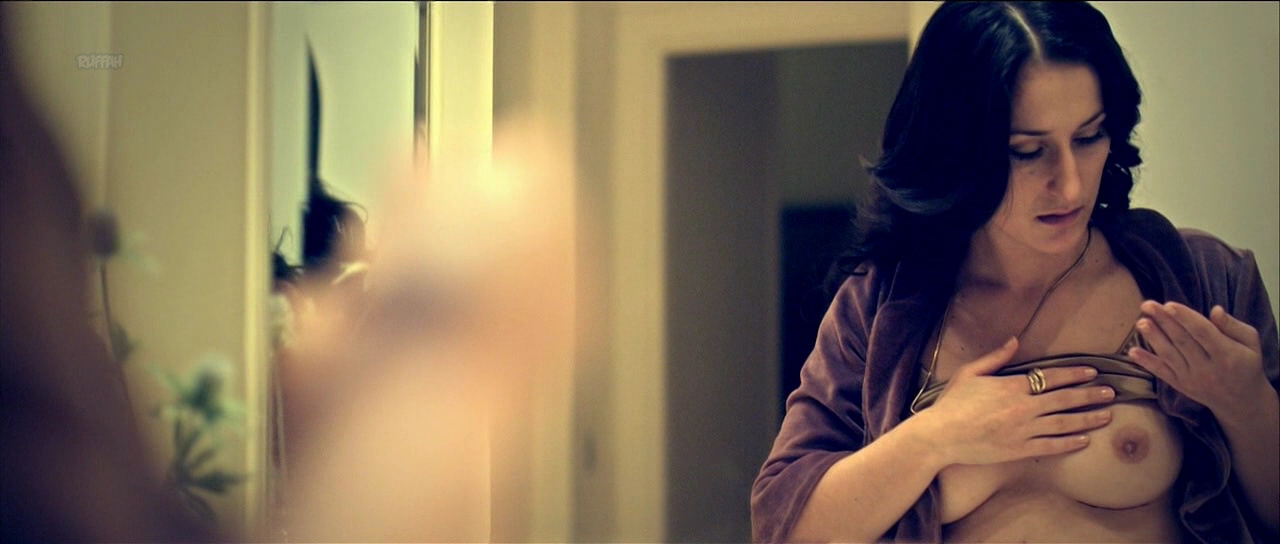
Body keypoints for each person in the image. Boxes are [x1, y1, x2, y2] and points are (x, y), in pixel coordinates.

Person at [751, 2, 1279, 542]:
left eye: (1088, 137)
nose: (1070, 184)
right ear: (956, 152)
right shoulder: (880, 305)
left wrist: (1249, 406)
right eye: (1027, 152)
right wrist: (933, 438)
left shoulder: (1200, 279)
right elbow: (783, 529)